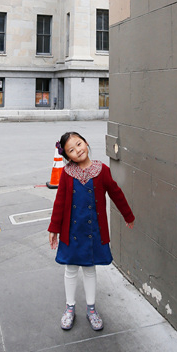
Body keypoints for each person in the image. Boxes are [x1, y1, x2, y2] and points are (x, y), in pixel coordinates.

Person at [48, 131, 135, 332]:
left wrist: (128, 215)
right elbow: (59, 202)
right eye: (71, 150)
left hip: (92, 232)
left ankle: (91, 309)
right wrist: (54, 228)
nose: (77, 150)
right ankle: (70, 308)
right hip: (71, 232)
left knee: (89, 269)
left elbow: (116, 193)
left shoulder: (101, 170)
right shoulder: (67, 174)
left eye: (79, 144)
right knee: (70, 269)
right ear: (67, 156)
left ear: (86, 143)